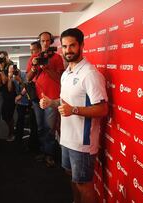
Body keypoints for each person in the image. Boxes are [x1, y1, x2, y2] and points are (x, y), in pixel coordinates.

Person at [40, 28, 108, 203]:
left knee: (84, 185)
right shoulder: (67, 73)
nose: (68, 50)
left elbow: (102, 109)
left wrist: (74, 110)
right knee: (72, 178)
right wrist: (52, 103)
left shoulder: (90, 74)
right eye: (64, 46)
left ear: (82, 45)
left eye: (72, 46)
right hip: (67, 139)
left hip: (82, 143)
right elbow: (65, 102)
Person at [26, 31, 64, 167]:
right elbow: (28, 78)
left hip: (52, 98)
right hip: (37, 98)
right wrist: (36, 66)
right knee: (41, 127)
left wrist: (46, 67)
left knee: (49, 128)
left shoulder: (57, 58)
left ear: (51, 42)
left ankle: (50, 154)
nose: (45, 43)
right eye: (43, 41)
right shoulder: (34, 58)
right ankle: (43, 151)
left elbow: (60, 79)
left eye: (48, 41)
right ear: (39, 42)